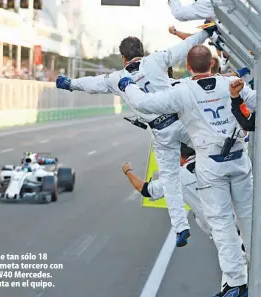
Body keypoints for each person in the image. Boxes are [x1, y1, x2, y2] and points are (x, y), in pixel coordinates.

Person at [56, 27, 216, 247]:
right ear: (142, 51)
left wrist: (70, 84)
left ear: (123, 57)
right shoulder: (156, 60)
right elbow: (184, 48)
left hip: (160, 132)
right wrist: (206, 33)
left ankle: (181, 228)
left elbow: (93, 84)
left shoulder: (117, 78)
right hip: (180, 121)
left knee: (170, 180)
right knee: (211, 146)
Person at [118, 44, 255, 297]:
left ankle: (236, 284)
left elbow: (145, 103)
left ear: (188, 68)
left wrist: (128, 85)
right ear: (212, 64)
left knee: (222, 223)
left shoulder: (182, 91)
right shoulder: (231, 83)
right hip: (239, 160)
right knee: (249, 218)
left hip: (212, 165)